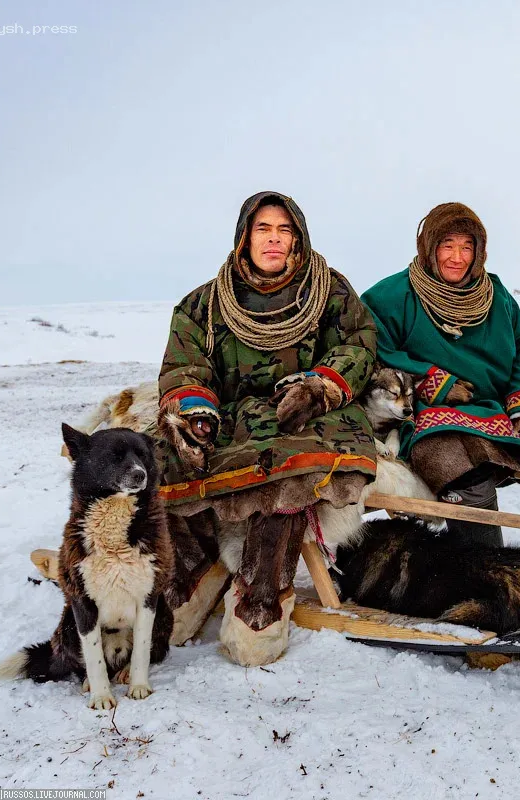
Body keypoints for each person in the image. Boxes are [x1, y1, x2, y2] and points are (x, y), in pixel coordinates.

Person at [155, 191, 379, 666]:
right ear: (244, 236)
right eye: (263, 229)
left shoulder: (330, 290)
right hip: (233, 413)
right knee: (170, 457)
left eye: (284, 231)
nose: (274, 240)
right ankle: (188, 582)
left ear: (297, 239)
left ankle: (261, 602)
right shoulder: (205, 304)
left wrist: (321, 386)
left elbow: (360, 344)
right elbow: (185, 365)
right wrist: (196, 412)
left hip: (308, 412)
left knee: (291, 468)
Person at [362, 203, 520, 547]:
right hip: (432, 416)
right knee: (457, 462)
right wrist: (432, 382)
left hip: (497, 408)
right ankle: (489, 563)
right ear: (429, 247)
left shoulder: (496, 296)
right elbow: (374, 348)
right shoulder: (392, 295)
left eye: (467, 247)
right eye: (447, 245)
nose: (457, 256)